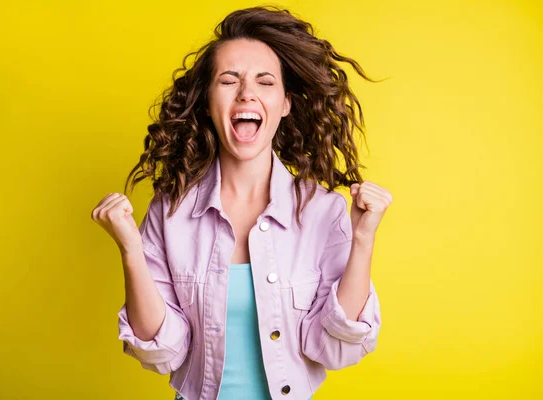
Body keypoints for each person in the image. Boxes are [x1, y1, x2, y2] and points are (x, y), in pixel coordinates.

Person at [91, 5, 392, 400]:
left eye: (265, 82)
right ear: (206, 101)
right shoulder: (171, 212)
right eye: (229, 80)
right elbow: (161, 351)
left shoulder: (324, 211)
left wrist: (363, 241)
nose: (247, 92)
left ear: (285, 103)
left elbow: (334, 346)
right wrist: (130, 250)